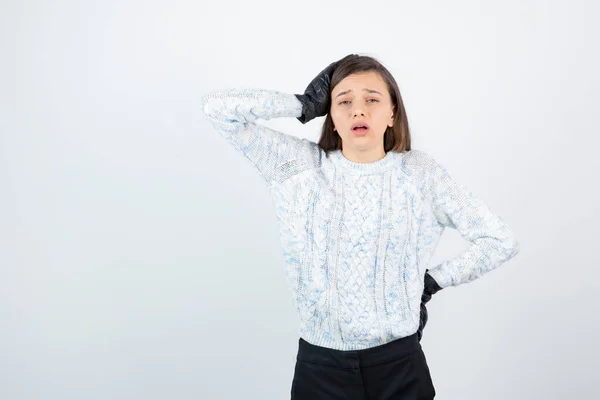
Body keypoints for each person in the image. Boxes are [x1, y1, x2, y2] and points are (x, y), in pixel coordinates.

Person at [200, 54, 520, 400]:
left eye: (372, 99)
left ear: (392, 112)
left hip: (399, 367)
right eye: (344, 101)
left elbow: (499, 240)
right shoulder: (297, 168)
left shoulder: (420, 174)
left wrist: (433, 281)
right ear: (331, 116)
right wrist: (302, 104)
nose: (358, 110)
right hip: (320, 370)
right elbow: (217, 108)